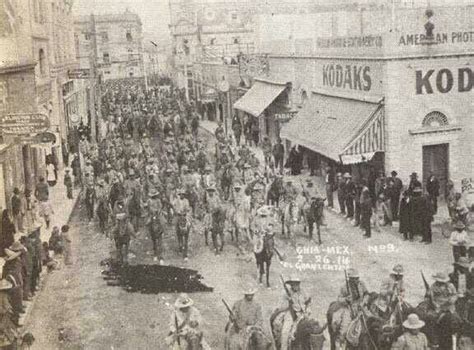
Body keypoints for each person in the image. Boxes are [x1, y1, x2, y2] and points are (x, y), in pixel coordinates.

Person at [274, 275, 311, 350]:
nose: (296, 285)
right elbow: (281, 306)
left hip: (302, 314)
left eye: (297, 283)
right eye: (294, 284)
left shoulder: (303, 292)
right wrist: (288, 302)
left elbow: (308, 303)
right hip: (290, 313)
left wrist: (307, 311)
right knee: (285, 332)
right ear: (291, 284)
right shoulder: (285, 293)